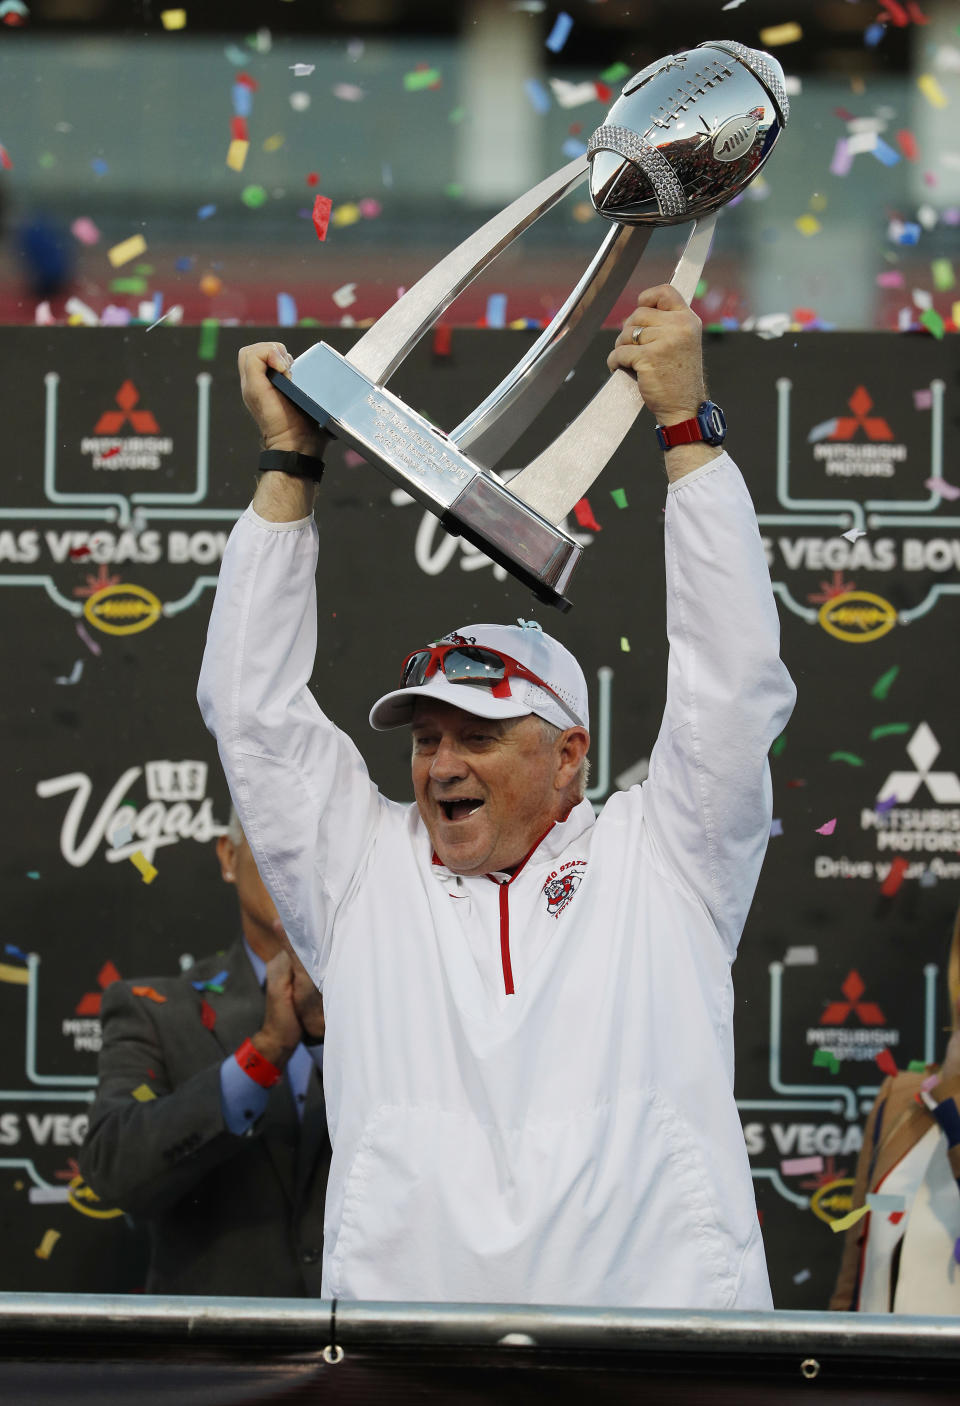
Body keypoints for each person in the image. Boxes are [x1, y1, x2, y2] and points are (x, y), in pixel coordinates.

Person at [197, 285, 796, 1309]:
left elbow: (731, 686)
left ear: (570, 752)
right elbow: (248, 709)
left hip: (660, 1349)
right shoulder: (359, 876)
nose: (440, 764)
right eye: (427, 737)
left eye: (478, 734)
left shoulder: (667, 863)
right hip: (409, 1358)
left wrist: (689, 433)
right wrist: (288, 466)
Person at [78, 808, 330, 1296]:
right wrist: (263, 1053)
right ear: (227, 855)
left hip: (376, 1351)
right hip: (214, 1357)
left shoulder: (397, 1008)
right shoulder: (155, 1010)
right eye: (272, 839)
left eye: (312, 848)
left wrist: (331, 1038)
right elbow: (114, 1171)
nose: (293, 865)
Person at [830, 906, 960, 1314]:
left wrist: (952, 1100)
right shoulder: (900, 1097)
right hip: (880, 1370)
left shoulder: (942, 1097)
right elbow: (852, 1279)